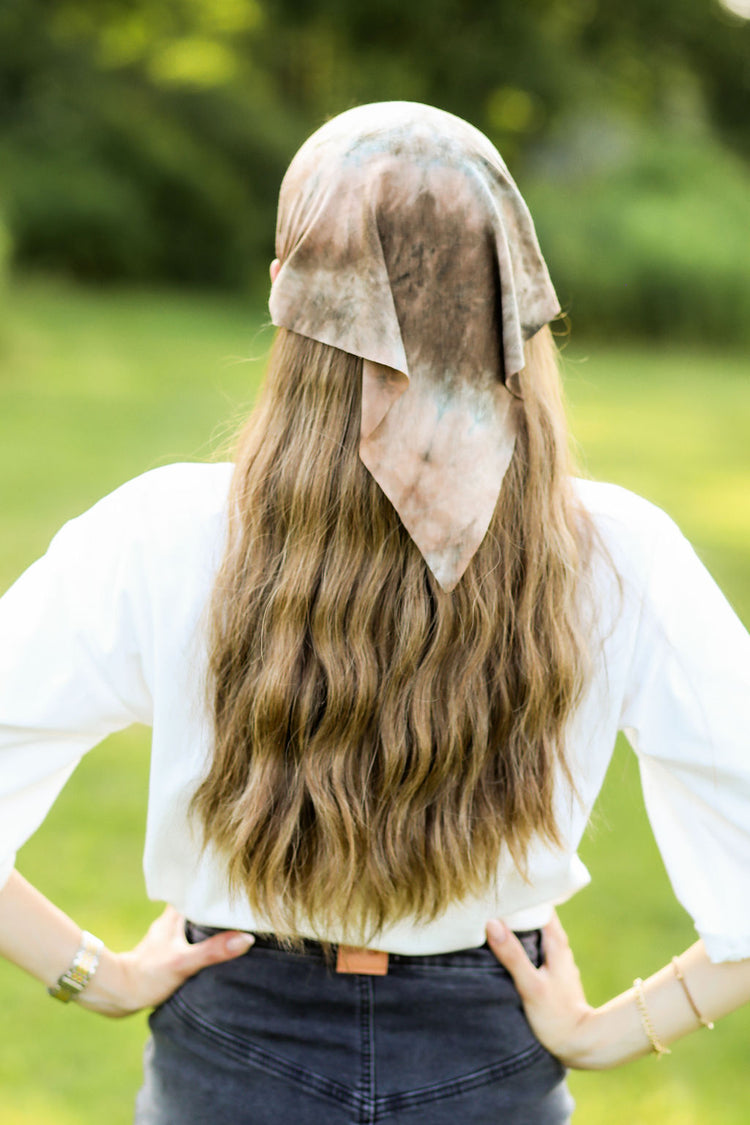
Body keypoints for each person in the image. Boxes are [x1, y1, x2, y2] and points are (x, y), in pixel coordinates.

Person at [1, 101, 749, 1124]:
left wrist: (92, 973)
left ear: (283, 292)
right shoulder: (617, 557)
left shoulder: (161, 533)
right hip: (491, 1051)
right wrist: (617, 1029)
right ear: (513, 297)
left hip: (233, 1047)